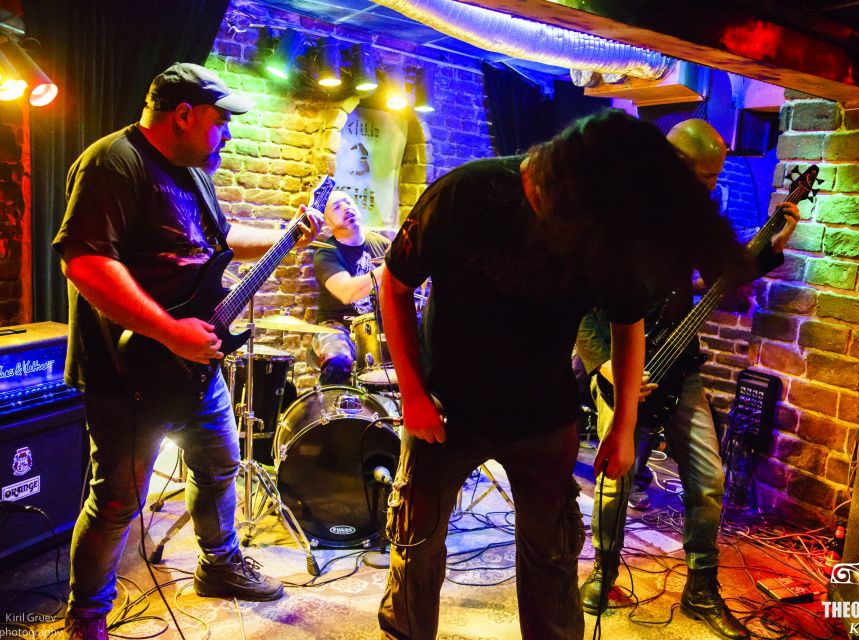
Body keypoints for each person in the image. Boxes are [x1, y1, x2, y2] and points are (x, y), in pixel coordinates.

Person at [375, 109, 758, 640]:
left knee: (553, 558)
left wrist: (624, 425)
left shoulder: (606, 225)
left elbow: (627, 323)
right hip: (446, 409)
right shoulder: (465, 193)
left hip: (542, 415)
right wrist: (412, 393)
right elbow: (393, 284)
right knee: (415, 547)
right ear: (548, 179)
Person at [52, 63, 320, 640]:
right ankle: (87, 615)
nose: (228, 134)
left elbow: (220, 239)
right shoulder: (114, 163)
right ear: (183, 115)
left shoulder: (194, 173)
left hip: (196, 362)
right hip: (127, 372)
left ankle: (219, 565)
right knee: (118, 501)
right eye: (221, 122)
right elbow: (86, 263)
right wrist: (170, 332)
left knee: (220, 464)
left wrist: (287, 235)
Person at [576, 118, 800, 639]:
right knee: (614, 479)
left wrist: (773, 244)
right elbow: (580, 306)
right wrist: (605, 364)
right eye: (703, 177)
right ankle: (603, 573)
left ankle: (701, 589)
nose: (710, 187)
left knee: (709, 478)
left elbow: (722, 275)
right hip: (621, 366)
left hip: (681, 366)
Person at [309, 190, 390, 384]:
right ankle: (330, 401)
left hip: (376, 326)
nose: (346, 208)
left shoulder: (383, 244)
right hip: (336, 327)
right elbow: (347, 292)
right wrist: (392, 267)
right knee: (338, 360)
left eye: (348, 202)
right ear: (328, 223)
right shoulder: (326, 254)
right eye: (337, 207)